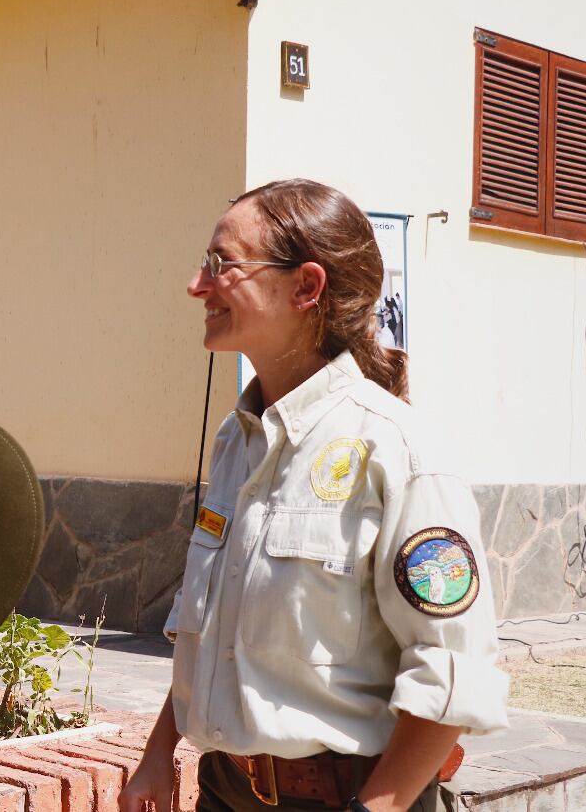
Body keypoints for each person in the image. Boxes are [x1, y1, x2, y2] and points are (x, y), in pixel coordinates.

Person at [119, 180, 507, 812]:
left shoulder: (398, 450)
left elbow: (453, 676)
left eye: (222, 265)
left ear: (305, 287)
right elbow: (212, 631)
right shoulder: (236, 441)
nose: (198, 285)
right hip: (225, 790)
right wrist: (158, 752)